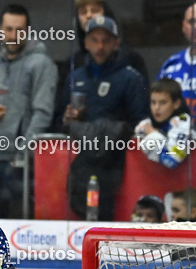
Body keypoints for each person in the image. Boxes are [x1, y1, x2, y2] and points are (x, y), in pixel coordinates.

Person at [0, 3, 56, 218]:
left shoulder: (41, 64)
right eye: (8, 29)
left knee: (17, 235)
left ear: (28, 31)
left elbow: (42, 114)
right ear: (0, 30)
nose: (14, 35)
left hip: (17, 164)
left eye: (20, 30)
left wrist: (23, 154)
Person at [59, 16, 148, 220]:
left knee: (110, 219)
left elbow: (140, 122)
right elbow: (59, 121)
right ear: (85, 43)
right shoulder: (75, 77)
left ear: (116, 43)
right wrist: (68, 118)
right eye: (94, 40)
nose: (100, 46)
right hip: (81, 162)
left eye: (106, 40)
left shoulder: (131, 78)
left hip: (115, 162)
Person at [135, 78, 195, 168]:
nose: (157, 108)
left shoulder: (183, 123)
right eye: (153, 102)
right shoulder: (148, 122)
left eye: (163, 103)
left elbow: (172, 160)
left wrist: (153, 134)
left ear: (176, 104)